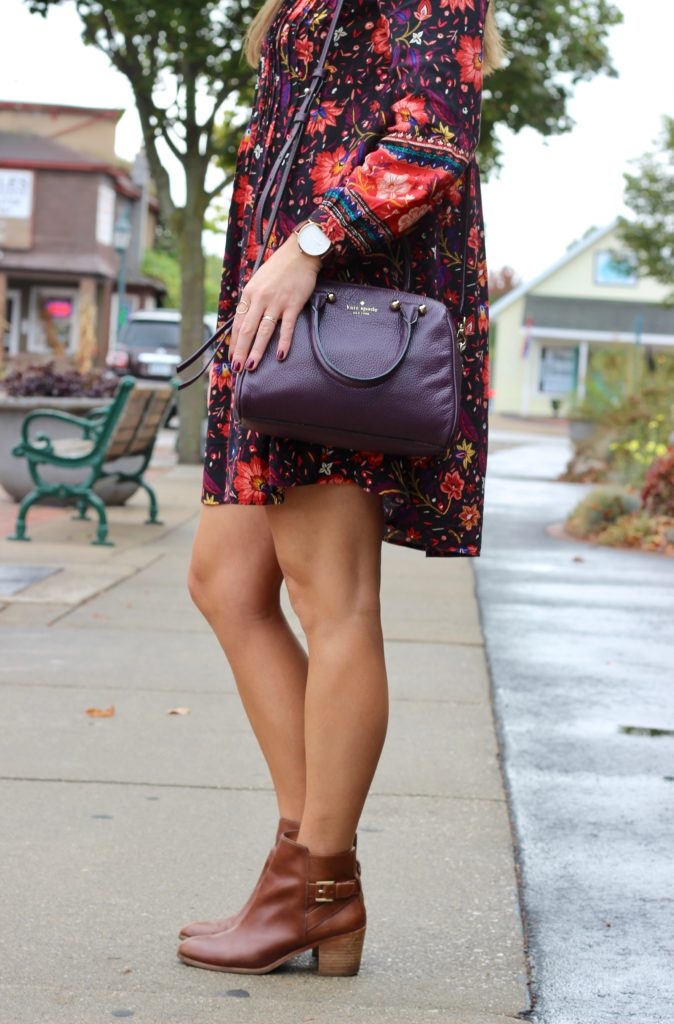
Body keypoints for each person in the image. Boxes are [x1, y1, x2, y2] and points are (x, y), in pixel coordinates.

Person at [178, 0, 502, 976]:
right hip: (279, 313)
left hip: (340, 317)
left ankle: (315, 883)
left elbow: (432, 139)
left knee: (332, 597)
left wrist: (308, 246)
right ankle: (309, 873)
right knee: (225, 582)